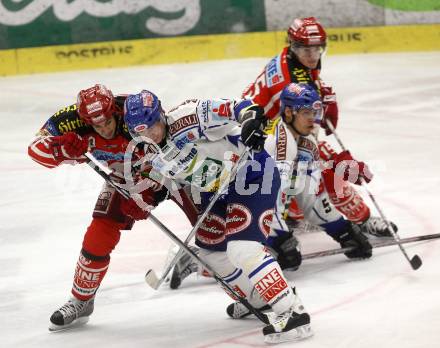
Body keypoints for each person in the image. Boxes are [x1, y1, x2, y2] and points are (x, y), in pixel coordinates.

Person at [124, 90, 313, 343]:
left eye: (152, 126)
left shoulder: (189, 117)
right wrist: (146, 198)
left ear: (161, 115)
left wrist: (250, 122)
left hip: (253, 175)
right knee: (212, 254)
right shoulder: (146, 149)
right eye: (141, 133)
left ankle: (292, 311)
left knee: (243, 249)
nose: (150, 135)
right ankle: (257, 298)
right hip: (216, 192)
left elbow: (241, 108)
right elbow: (164, 179)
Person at [28, 84, 199, 331]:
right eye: (96, 125)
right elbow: (34, 148)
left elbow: (170, 146)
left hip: (172, 169)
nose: (104, 129)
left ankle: (232, 266)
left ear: (114, 112)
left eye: (107, 121)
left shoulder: (132, 110)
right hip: (125, 177)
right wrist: (60, 148)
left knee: (210, 228)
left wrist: (147, 193)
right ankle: (81, 300)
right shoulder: (69, 121)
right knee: (100, 230)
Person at [226, 82, 373, 319]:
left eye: (314, 113)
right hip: (231, 203)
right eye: (306, 113)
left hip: (254, 209)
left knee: (280, 255)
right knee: (265, 255)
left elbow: (308, 195)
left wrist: (342, 230)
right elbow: (265, 197)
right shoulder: (278, 143)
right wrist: (280, 236)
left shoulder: (306, 142)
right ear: (288, 112)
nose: (312, 119)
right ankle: (239, 283)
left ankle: (253, 284)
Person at [242, 16, 397, 237]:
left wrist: (320, 91)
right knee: (327, 164)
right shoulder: (289, 83)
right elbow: (303, 139)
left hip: (264, 139)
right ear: (293, 46)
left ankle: (293, 212)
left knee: (312, 166)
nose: (313, 56)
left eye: (317, 49)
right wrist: (339, 160)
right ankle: (362, 218)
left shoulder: (289, 59)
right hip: (261, 146)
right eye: (306, 50)